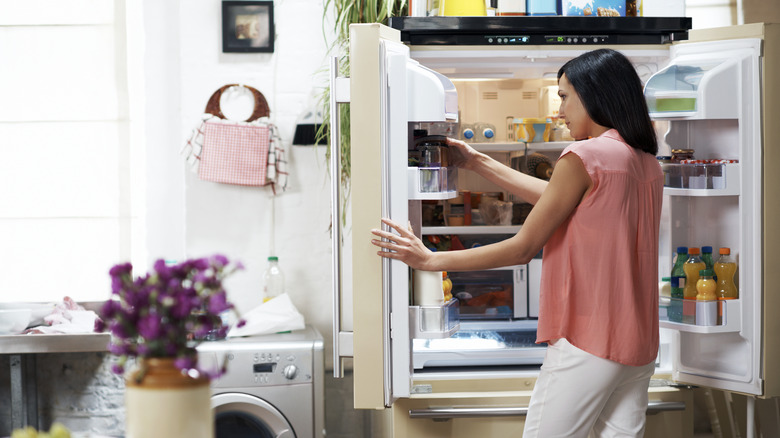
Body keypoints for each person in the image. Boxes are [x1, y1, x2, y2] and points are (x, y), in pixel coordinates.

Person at [370, 48, 663, 438]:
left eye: (563, 96)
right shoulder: (644, 162)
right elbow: (559, 197)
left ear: (595, 95)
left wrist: (430, 259)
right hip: (638, 344)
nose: (560, 111)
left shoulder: (584, 155)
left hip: (589, 339)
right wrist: (476, 161)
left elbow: (523, 247)